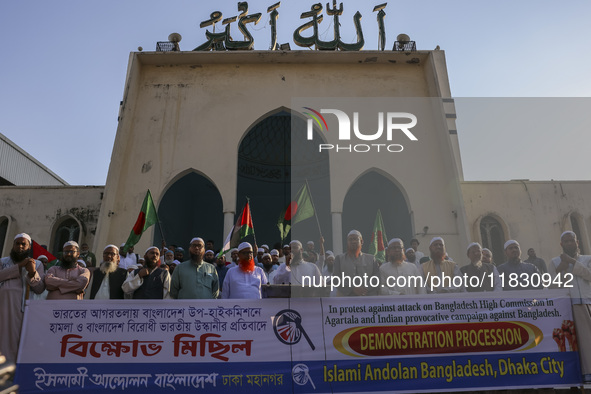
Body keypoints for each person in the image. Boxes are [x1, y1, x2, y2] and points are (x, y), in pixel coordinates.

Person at [548, 231, 591, 382]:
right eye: (565, 242)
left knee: (587, 340)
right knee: (573, 342)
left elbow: (589, 275)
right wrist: (560, 268)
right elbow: (551, 286)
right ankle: (580, 373)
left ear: (577, 242)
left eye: (571, 241)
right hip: (568, 306)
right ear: (561, 244)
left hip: (586, 302)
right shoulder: (554, 262)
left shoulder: (587, 259)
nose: (569, 244)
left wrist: (572, 262)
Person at [0, 233, 45, 363]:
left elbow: (39, 288)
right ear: (13, 245)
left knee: (18, 340)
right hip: (3, 307)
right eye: (17, 243)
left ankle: (12, 370)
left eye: (23, 244)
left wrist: (32, 273)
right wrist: (19, 266)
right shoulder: (2, 262)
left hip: (23, 309)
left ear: (29, 247)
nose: (20, 246)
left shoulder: (37, 264)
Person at [332, 230, 380, 296]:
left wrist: (366, 288)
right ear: (347, 242)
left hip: (367, 298)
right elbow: (335, 279)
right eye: (350, 240)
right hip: (346, 299)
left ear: (361, 241)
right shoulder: (339, 259)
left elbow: (377, 278)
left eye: (355, 239)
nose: (353, 242)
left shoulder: (371, 259)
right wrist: (352, 288)